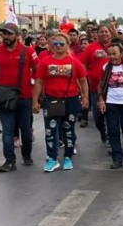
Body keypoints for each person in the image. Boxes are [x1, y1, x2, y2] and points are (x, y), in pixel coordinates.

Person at [33, 32, 89, 172]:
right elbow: (39, 82)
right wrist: (35, 101)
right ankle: (52, 159)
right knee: (50, 131)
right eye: (55, 43)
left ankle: (68, 157)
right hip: (51, 100)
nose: (58, 46)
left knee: (68, 130)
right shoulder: (45, 61)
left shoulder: (74, 62)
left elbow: (83, 80)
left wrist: (85, 97)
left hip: (71, 100)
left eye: (61, 43)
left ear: (67, 45)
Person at [0, 22, 36, 172]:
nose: (6, 36)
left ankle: (27, 154)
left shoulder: (28, 51)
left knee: (25, 130)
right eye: (4, 33)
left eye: (9, 33)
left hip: (24, 97)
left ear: (17, 35)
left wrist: (37, 94)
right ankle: (9, 160)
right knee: (8, 130)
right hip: (5, 97)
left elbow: (37, 71)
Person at [96, 42, 123, 169]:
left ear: (121, 53)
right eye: (109, 54)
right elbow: (100, 85)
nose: (111, 57)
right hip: (111, 102)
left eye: (114, 54)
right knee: (113, 130)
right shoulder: (105, 67)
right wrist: (101, 100)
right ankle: (117, 158)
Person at [78, 24, 114, 139]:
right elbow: (82, 64)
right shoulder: (91, 47)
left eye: (106, 31)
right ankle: (103, 132)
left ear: (110, 33)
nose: (104, 34)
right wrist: (85, 77)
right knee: (98, 117)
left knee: (112, 116)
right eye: (101, 32)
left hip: (113, 88)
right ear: (97, 34)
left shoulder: (115, 45)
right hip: (96, 88)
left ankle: (111, 138)